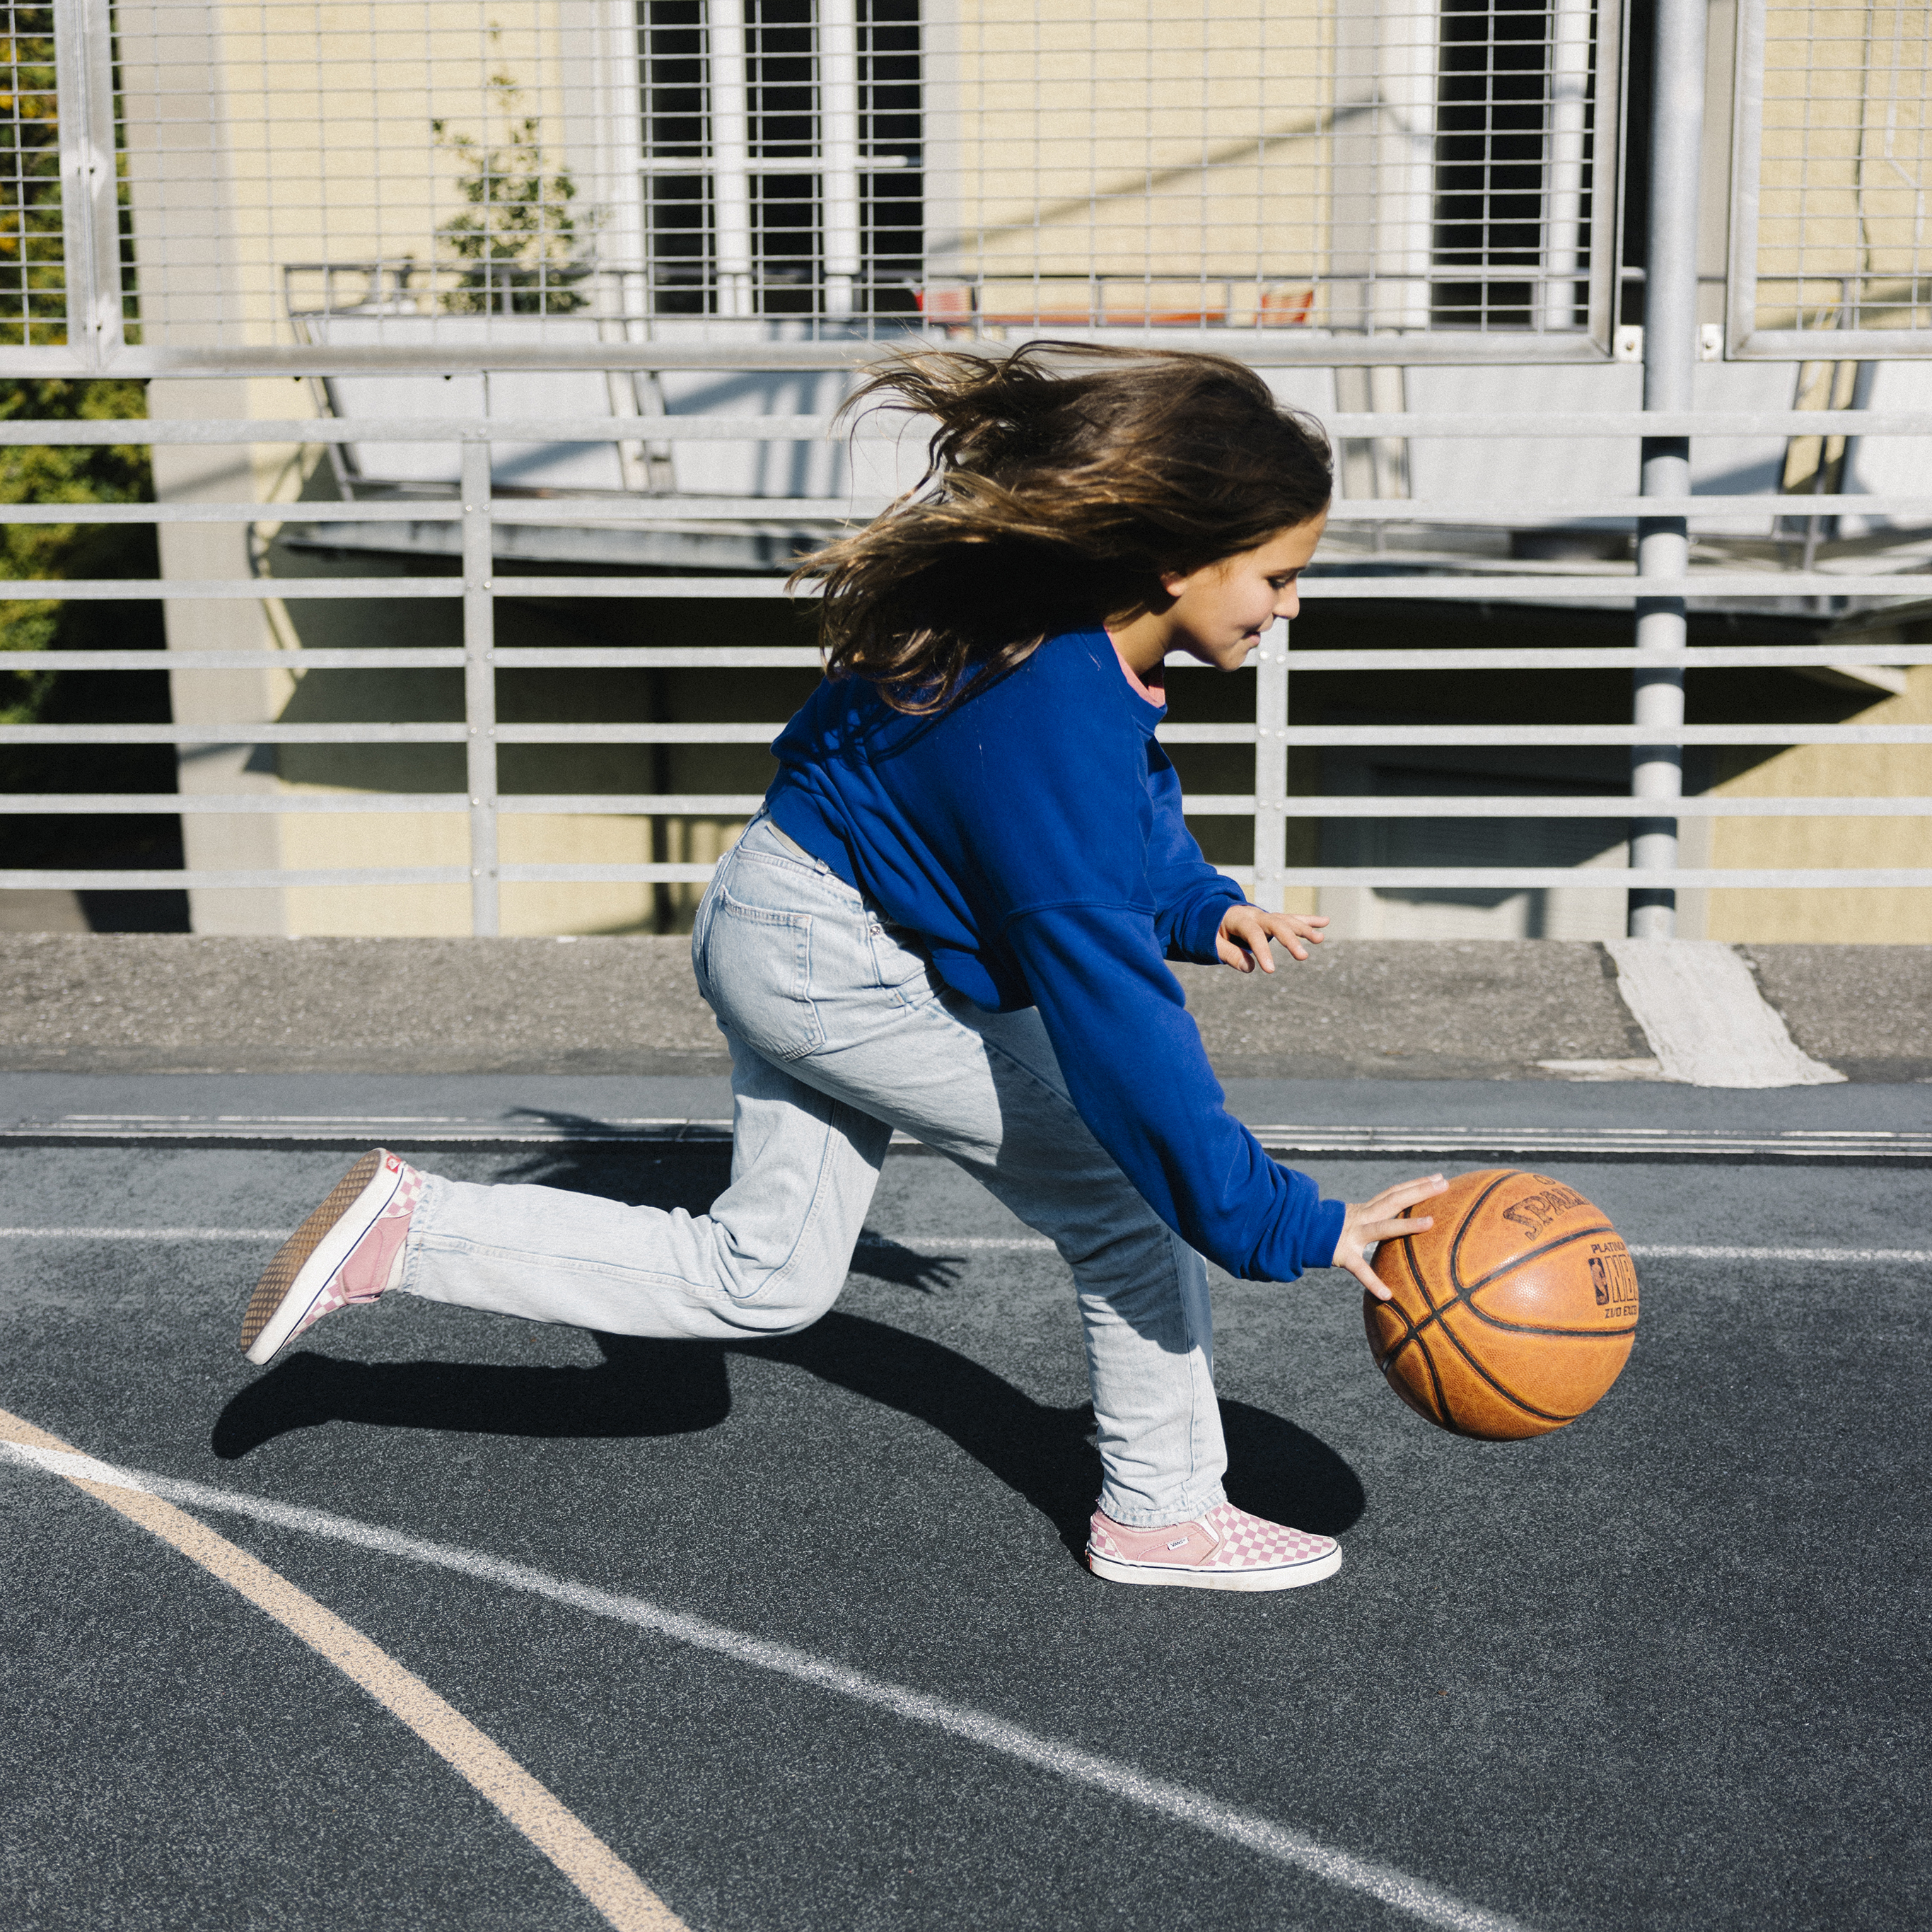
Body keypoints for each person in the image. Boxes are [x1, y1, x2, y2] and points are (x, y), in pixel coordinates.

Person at [238, 343, 1448, 1593]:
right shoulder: (1057, 702)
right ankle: (1162, 1512)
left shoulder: (1071, 646)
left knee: (764, 1281)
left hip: (795, 917)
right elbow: (1115, 1014)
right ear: (1175, 557)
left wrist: (1200, 903)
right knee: (1130, 1203)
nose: (1291, 607)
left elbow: (1100, 831)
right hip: (836, 960)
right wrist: (1286, 1219)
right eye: (1279, 578)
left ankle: (413, 1226)